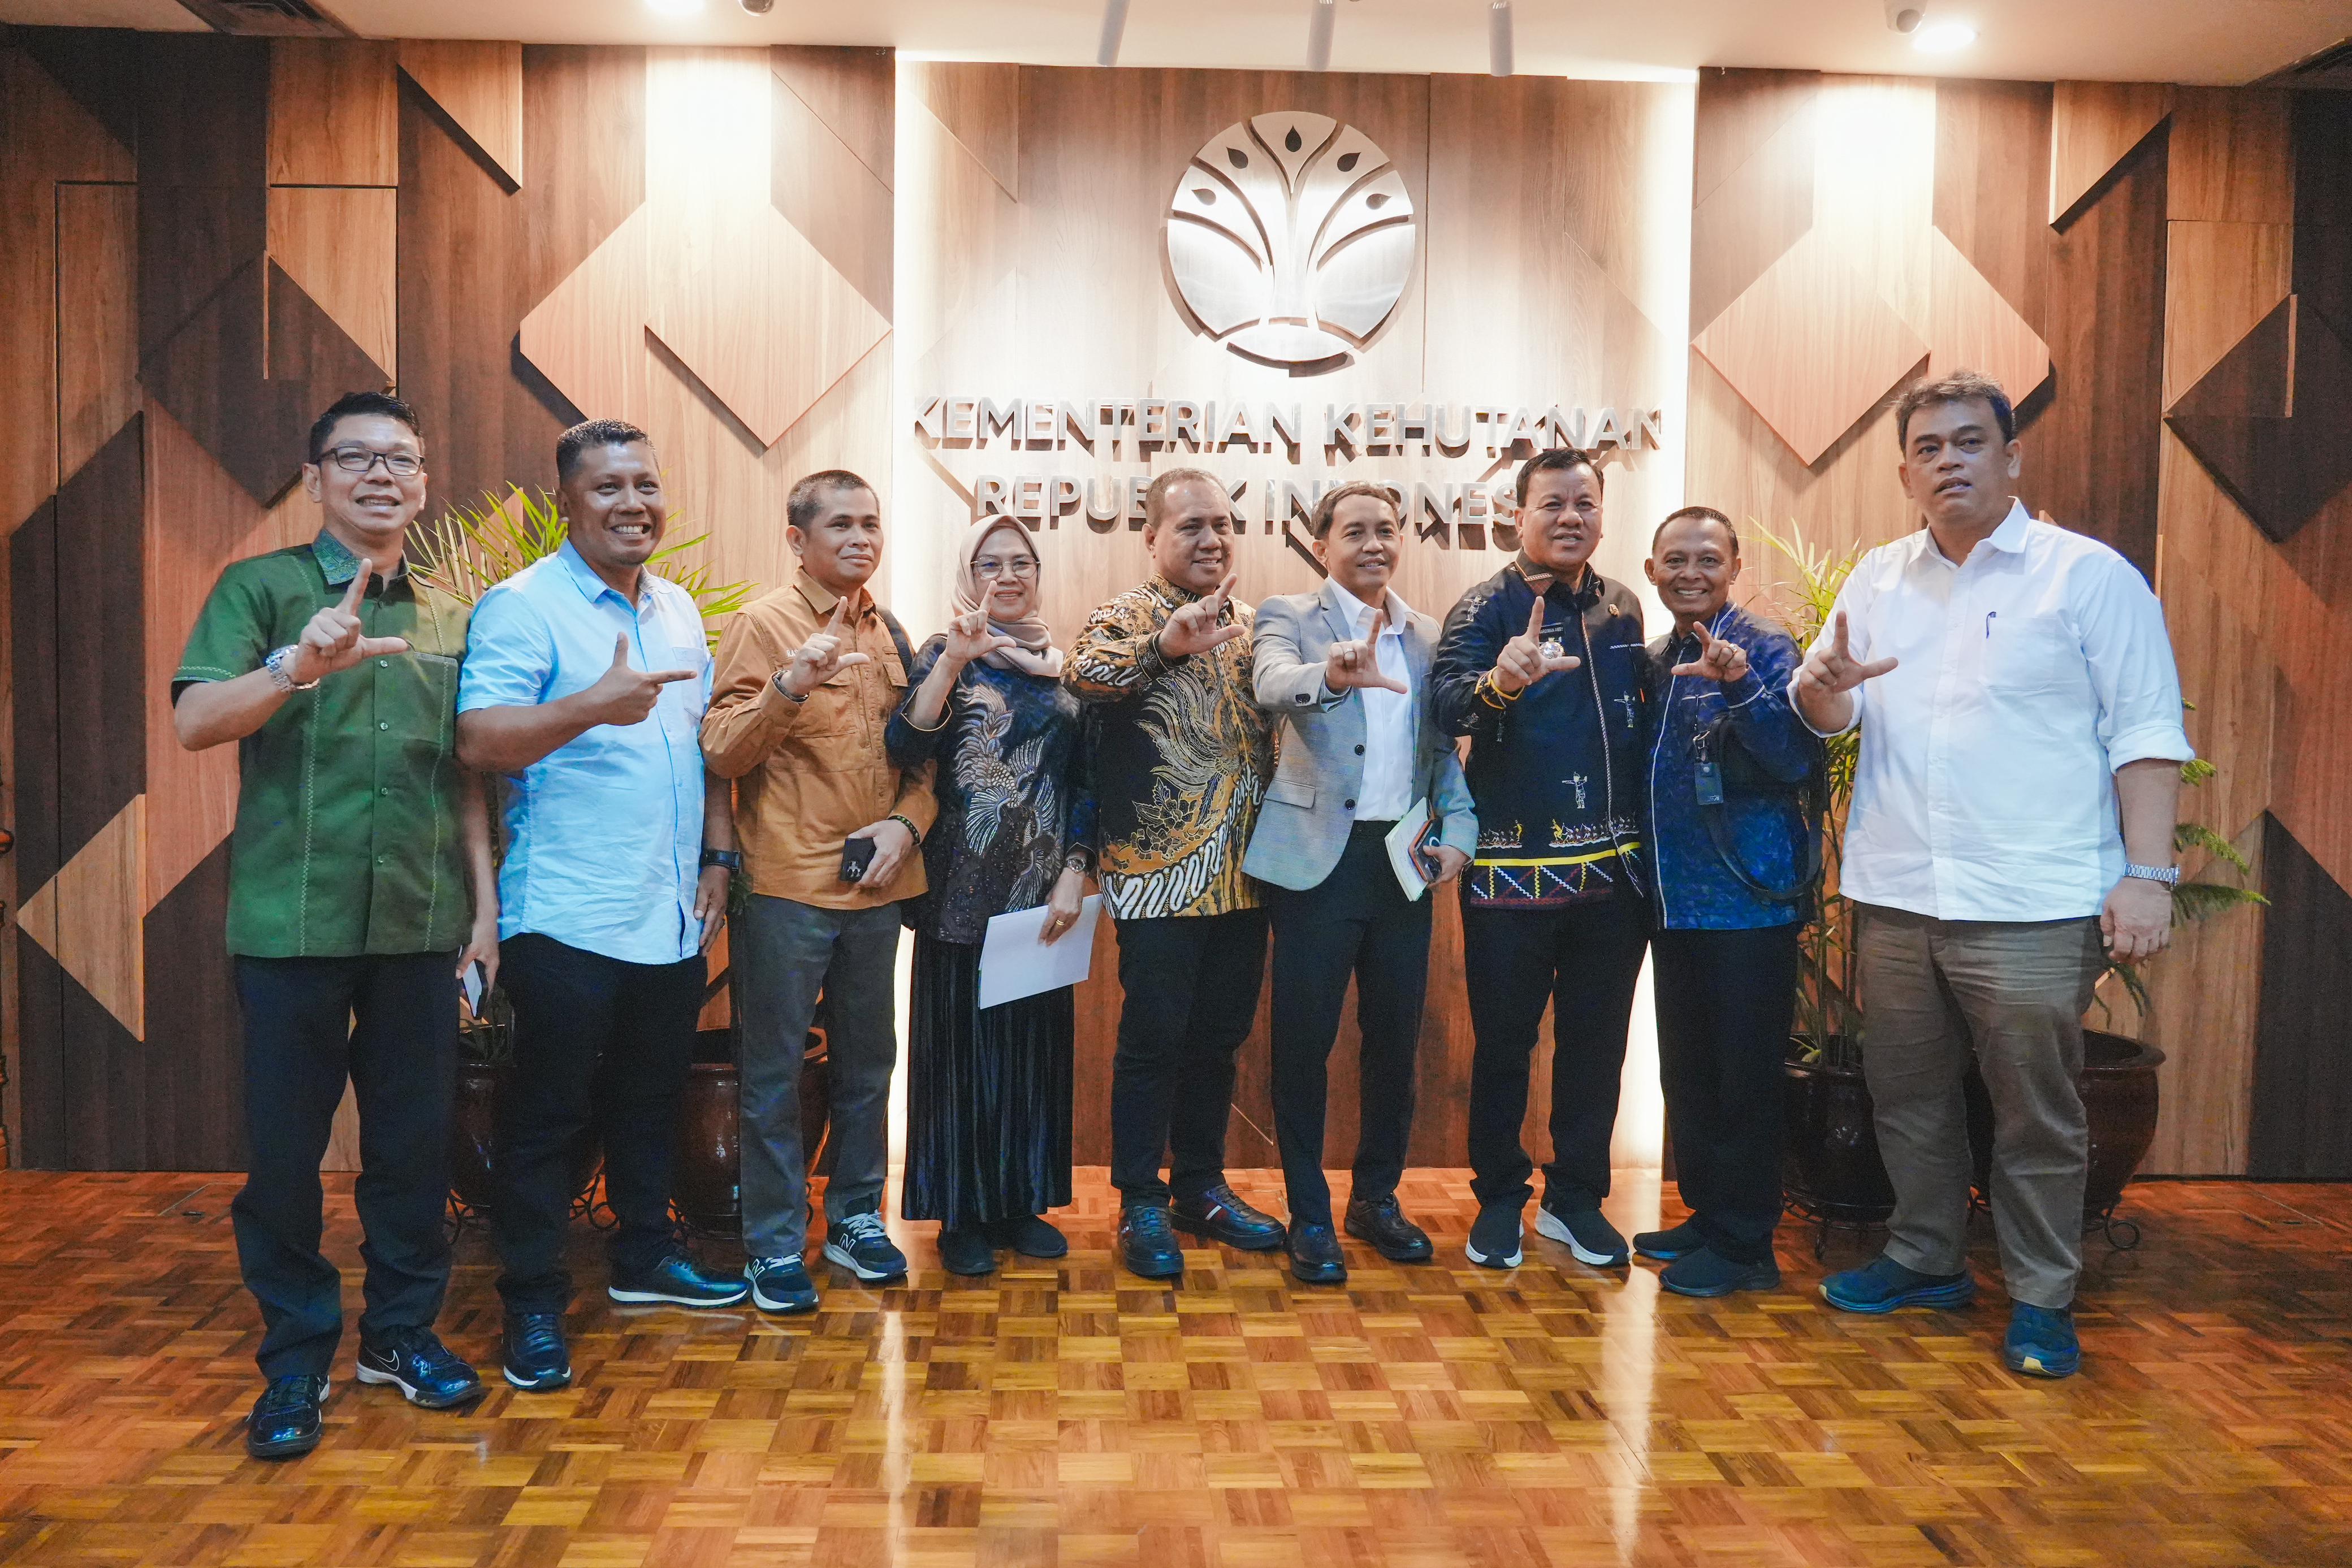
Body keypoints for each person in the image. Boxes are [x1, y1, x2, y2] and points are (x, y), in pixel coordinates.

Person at [1791, 370, 2191, 1380]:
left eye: (1969, 442)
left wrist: (2149, 874)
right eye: (1928, 448)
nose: (1949, 462)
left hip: (2033, 900)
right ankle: (1927, 1257)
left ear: (2012, 457)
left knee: (2034, 1108)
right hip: (1897, 890)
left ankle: (2044, 1295)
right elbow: (1832, 712)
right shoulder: (1879, 579)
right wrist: (1820, 690)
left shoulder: (2087, 577)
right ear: (1905, 473)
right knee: (1905, 1092)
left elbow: (2146, 733)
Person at [174, 391, 495, 1459]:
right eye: (354, 457)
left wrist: (485, 910)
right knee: (283, 1159)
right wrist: (293, 667)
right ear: (314, 479)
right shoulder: (259, 588)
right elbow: (194, 720)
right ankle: (296, 1359)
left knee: (412, 1150)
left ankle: (399, 1336)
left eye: (400, 459)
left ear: (423, 481)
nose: (379, 475)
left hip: (419, 923)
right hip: (289, 927)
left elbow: (464, 777)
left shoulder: (452, 616)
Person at [456, 418, 749, 1394]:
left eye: (646, 484)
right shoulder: (522, 606)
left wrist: (718, 856)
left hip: (667, 910)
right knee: (548, 1114)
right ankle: (533, 1298)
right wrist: (591, 703)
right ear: (568, 503)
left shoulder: (678, 610)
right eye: (609, 486)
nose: (633, 503)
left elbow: (707, 748)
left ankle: (643, 1255)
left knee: (648, 1096)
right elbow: (478, 740)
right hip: (565, 913)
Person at [702, 471, 937, 1310]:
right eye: (841, 524)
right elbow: (722, 749)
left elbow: (922, 759)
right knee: (771, 1074)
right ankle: (773, 1243)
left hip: (876, 889)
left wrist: (907, 825)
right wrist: (790, 684)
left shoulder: (892, 631)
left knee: (869, 1065)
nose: (861, 537)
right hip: (787, 889)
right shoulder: (763, 624)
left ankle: (855, 1218)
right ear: (798, 540)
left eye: (871, 522)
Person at [1243, 482, 1476, 1284]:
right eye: (1355, 531)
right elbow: (1271, 682)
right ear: (1321, 544)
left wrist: (1461, 833)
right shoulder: (1287, 615)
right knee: (1303, 1044)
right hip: (1317, 863)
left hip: (1401, 863)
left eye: (1387, 529)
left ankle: (1375, 1198)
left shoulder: (1426, 634)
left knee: (1395, 1043)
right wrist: (1334, 673)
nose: (1374, 543)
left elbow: (1441, 753)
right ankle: (1309, 1211)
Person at [1431, 446, 1651, 1273]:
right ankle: (1498, 1200)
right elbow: (1445, 703)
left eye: (1584, 503)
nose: (1570, 517)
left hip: (1614, 879)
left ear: (1602, 515)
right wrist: (1501, 681)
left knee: (1598, 1046)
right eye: (1552, 503)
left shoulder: (1623, 606)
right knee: (1504, 1047)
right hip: (1509, 876)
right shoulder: (1485, 606)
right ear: (1518, 517)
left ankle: (1576, 1200)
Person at [1063, 467, 1282, 1279]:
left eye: (1222, 524)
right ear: (1152, 537)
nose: (1211, 539)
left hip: (1247, 874)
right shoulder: (1125, 616)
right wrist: (1163, 647)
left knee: (1220, 1040)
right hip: (1157, 873)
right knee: (1153, 1040)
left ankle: (1200, 1185)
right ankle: (1139, 1198)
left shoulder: (1256, 626)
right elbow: (1083, 677)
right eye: (1191, 526)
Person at [884, 516, 1092, 1277]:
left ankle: (1019, 1202)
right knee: (960, 1060)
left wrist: (1076, 868)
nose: (1007, 576)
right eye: (989, 564)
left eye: (1021, 563)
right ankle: (962, 1213)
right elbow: (904, 747)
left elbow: (1085, 782)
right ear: (968, 577)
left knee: (1030, 1056)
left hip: (1041, 894)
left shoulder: (1066, 669)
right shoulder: (946, 652)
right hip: (959, 895)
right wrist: (951, 664)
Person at [1636, 506, 1818, 1297]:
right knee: (1691, 1074)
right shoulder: (1657, 658)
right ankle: (1710, 1216)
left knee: (1745, 1077)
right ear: (1651, 571)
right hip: (1673, 903)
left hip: (1748, 902)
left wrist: (1741, 683)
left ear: (1734, 567)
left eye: (1707, 559)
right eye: (1675, 560)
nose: (1691, 573)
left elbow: (1795, 759)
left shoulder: (1768, 647)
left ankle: (1747, 1244)